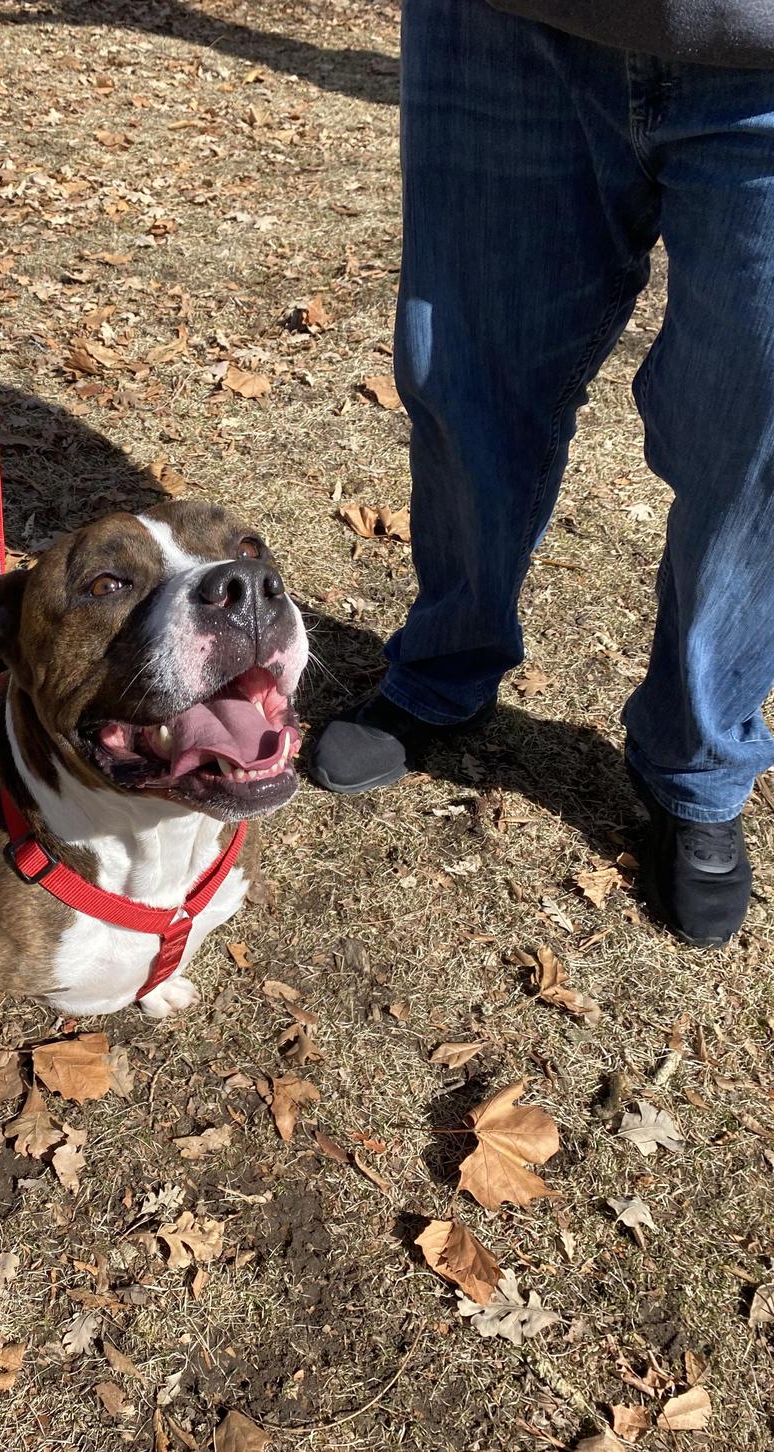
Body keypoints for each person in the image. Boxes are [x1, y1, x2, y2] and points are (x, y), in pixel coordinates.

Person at [309, 0, 774, 948]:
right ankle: (445, 660)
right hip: (504, 27)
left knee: (756, 450)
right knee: (466, 384)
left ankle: (699, 761)